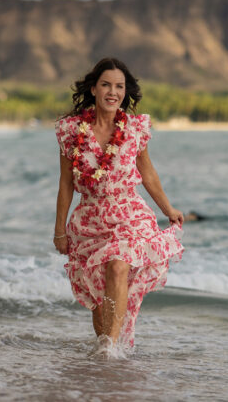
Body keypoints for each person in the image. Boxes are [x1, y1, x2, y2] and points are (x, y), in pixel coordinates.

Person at [53, 57, 185, 355]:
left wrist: (168, 209)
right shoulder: (71, 131)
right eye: (106, 85)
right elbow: (65, 184)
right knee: (99, 300)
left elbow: (148, 173)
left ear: (126, 91)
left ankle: (110, 350)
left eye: (119, 86)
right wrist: (59, 230)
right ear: (93, 88)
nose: (113, 92)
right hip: (89, 220)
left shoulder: (135, 128)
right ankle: (107, 348)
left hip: (128, 214)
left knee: (117, 268)